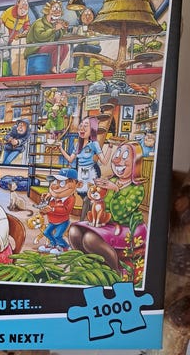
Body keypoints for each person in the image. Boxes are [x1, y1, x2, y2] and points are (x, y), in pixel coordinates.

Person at [68, 141, 148, 273]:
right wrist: (95, 194)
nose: (117, 160)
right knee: (74, 231)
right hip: (105, 222)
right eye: (117, 155)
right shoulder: (112, 181)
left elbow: (120, 213)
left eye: (125, 156)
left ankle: (115, 270)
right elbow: (101, 204)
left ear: (135, 163)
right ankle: (88, 265)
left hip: (125, 226)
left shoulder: (137, 189)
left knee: (90, 239)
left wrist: (116, 189)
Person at [58, 116, 109, 220]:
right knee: (84, 197)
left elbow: (104, 161)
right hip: (81, 172)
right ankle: (91, 218)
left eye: (86, 126)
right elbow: (70, 159)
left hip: (91, 172)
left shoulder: (94, 144)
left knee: (87, 198)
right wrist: (60, 148)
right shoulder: (78, 144)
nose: (82, 128)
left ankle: (82, 221)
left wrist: (111, 147)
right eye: (81, 125)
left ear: (92, 129)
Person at [38, 168, 80, 254]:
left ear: (77, 184)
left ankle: (65, 247)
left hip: (62, 221)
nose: (56, 186)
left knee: (57, 235)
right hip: (52, 221)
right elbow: (47, 209)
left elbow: (66, 210)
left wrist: (52, 209)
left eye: (62, 183)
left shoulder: (70, 198)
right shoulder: (52, 198)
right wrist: (44, 209)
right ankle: (53, 244)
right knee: (46, 232)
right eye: (55, 182)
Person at [24, 0, 69, 73]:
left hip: (49, 47)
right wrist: (54, 29)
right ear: (48, 11)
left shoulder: (53, 23)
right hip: (36, 48)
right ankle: (53, 67)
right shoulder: (39, 23)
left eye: (59, 9)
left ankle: (56, 66)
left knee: (65, 47)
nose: (57, 11)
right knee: (57, 45)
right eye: (54, 9)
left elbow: (58, 38)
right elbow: (40, 37)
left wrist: (63, 29)